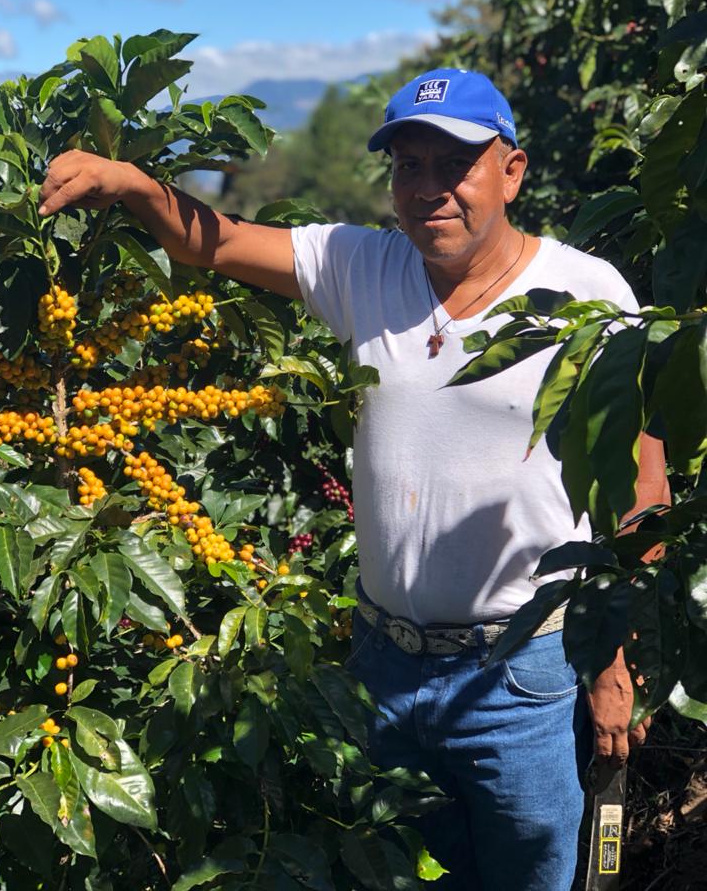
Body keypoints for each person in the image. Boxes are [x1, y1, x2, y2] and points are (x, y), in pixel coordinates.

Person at [40, 67, 668, 891]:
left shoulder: (586, 292)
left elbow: (641, 481)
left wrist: (617, 654)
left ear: (511, 171)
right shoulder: (360, 265)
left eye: (455, 165)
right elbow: (215, 240)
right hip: (384, 669)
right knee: (404, 874)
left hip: (523, 673)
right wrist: (130, 185)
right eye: (409, 165)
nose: (430, 189)